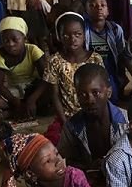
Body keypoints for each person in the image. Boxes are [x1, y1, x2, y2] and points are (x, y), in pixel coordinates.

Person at [58, 63, 127, 187]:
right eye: (82, 94)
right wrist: (87, 167)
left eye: (96, 92)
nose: (90, 100)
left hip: (125, 183)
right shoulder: (72, 126)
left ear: (109, 92)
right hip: (88, 185)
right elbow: (64, 161)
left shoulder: (127, 123)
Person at [44, 12, 104, 144]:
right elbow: (54, 95)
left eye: (78, 34)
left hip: (93, 113)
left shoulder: (95, 59)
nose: (73, 39)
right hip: (67, 116)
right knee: (54, 141)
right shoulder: (55, 61)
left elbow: (102, 91)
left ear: (84, 35)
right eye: (66, 35)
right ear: (59, 36)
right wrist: (65, 122)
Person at [84, 0, 132, 102]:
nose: (99, 7)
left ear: (108, 11)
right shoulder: (83, 30)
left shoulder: (115, 29)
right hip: (91, 72)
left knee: (112, 99)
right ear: (86, 12)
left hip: (110, 71)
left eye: (103, 5)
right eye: (93, 5)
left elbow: (122, 54)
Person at [0, 16, 47, 120]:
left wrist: (32, 99)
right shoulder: (0, 53)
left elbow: (46, 78)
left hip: (32, 88)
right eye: (5, 40)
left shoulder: (33, 50)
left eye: (15, 39)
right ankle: (20, 109)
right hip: (13, 92)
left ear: (24, 38)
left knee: (51, 93)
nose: (10, 44)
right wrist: (14, 101)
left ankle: (14, 112)